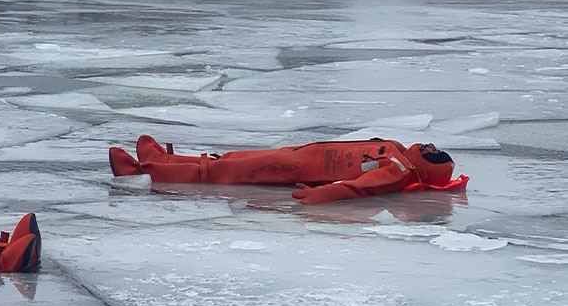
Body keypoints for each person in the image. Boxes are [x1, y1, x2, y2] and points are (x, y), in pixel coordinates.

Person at [110, 135, 468, 205]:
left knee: (225, 173)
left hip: (291, 169)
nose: (429, 146)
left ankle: (142, 171)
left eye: (434, 152)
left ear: (427, 165)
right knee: (231, 160)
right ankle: (163, 158)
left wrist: (319, 195)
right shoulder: (397, 150)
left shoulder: (398, 168)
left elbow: (356, 187)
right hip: (298, 154)